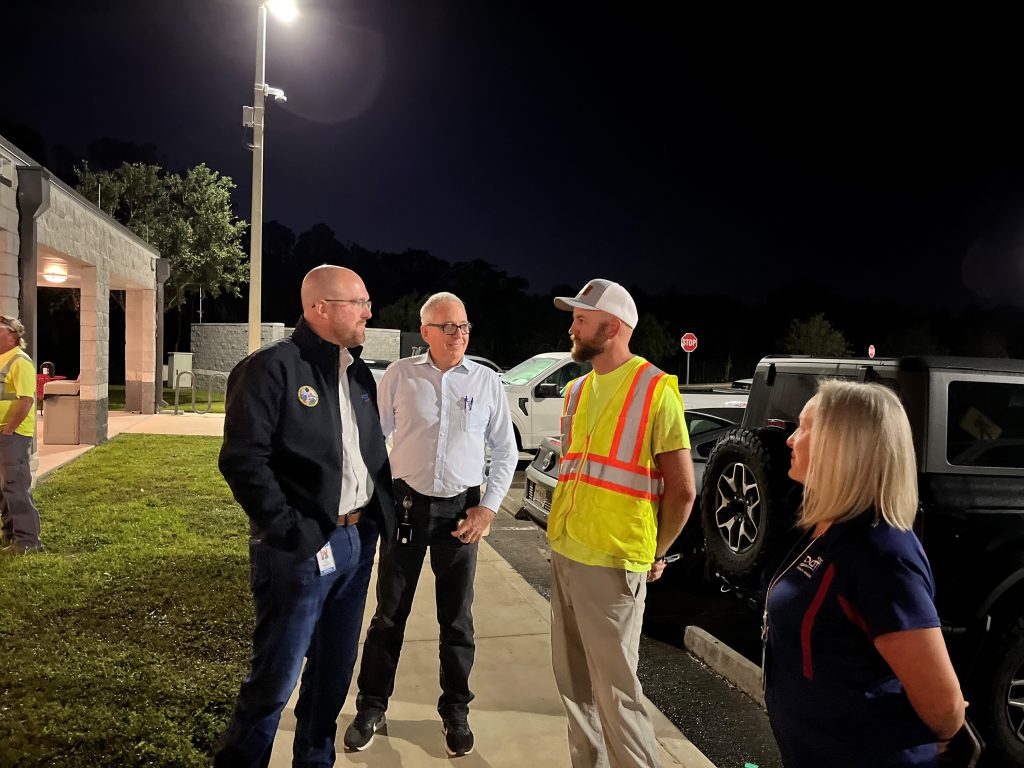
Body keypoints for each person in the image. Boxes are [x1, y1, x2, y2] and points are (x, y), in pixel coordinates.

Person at [215, 265, 393, 768]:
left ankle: (315, 761)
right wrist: (291, 531)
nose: (369, 311)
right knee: (275, 679)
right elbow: (242, 460)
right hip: (299, 550)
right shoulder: (272, 368)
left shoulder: (357, 372)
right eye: (359, 302)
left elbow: (366, 453)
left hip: (355, 546)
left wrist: (378, 517)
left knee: (333, 674)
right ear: (321, 308)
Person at [344, 292, 517, 757]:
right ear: (425, 332)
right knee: (388, 615)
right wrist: (375, 498)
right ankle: (372, 706)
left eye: (464, 327)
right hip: (405, 509)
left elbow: (505, 451)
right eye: (448, 327)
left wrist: (489, 508)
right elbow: (373, 439)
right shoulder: (401, 376)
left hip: (462, 514)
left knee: (457, 619)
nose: (459, 335)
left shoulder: (485, 382)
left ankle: (455, 710)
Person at [764, 380, 967, 767]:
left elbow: (945, 708)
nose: (791, 439)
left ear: (842, 446)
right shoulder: (823, 527)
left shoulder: (881, 552)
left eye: (805, 427)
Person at [547, 278, 696, 768]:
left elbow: (682, 489)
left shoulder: (655, 390)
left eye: (581, 319)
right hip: (567, 552)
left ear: (611, 327)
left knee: (617, 695)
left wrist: (657, 551)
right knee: (573, 687)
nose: (573, 326)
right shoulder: (575, 391)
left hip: (613, 561)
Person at [0, 315, 43, 555]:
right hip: (4, 433)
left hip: (13, 434)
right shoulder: (1, 360)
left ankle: (28, 542)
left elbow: (26, 400)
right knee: (4, 488)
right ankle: (10, 535)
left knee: (15, 486)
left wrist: (8, 430)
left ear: (12, 334)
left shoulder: (19, 361)